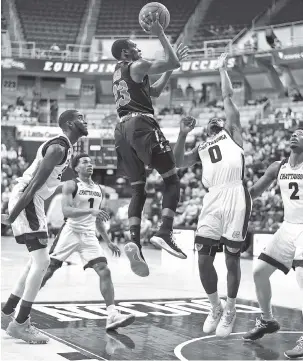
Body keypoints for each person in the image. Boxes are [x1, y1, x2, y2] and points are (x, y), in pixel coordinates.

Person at [174, 53, 252, 338]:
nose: (215, 121)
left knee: (232, 259)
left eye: (218, 119)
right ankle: (215, 306)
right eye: (211, 122)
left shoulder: (233, 133)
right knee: (204, 258)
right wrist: (182, 134)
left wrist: (221, 69)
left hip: (236, 194)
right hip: (213, 198)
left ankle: (231, 309)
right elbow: (178, 161)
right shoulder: (202, 148)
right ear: (205, 130)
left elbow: (228, 97)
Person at [111, 12, 189, 277]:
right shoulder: (136, 64)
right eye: (134, 45)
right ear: (125, 52)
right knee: (172, 179)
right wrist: (159, 34)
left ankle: (134, 241)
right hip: (141, 125)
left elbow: (153, 91)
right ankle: (164, 232)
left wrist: (168, 71)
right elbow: (174, 62)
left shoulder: (120, 72)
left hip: (120, 130)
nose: (138, 47)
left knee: (138, 190)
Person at [1, 110, 88, 344]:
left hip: (32, 200)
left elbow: (41, 185)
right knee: (43, 262)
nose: (85, 121)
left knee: (35, 261)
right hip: (28, 200)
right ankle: (20, 324)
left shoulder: (66, 147)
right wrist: (12, 216)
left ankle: (7, 311)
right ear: (70, 124)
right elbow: (32, 186)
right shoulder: (58, 148)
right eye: (80, 118)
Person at [243, 128, 303, 359]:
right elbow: (254, 191)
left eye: (300, 134)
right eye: (291, 133)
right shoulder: (278, 167)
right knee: (259, 271)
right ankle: (267, 320)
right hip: (287, 226)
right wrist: (237, 201)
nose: (293, 136)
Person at [40, 154, 135, 331]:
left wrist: (108, 241)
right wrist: (91, 211)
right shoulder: (71, 184)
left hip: (89, 235)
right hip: (70, 232)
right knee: (49, 269)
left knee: (104, 271)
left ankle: (112, 314)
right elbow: (67, 211)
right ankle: (24, 303)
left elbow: (98, 219)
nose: (89, 165)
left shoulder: (98, 189)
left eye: (91, 162)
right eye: (85, 162)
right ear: (76, 168)